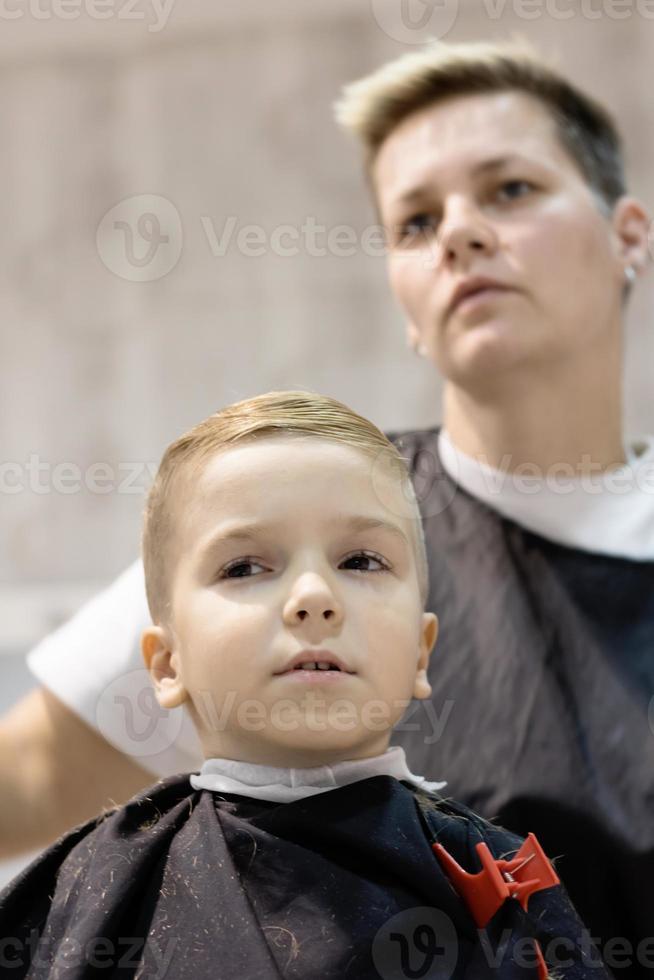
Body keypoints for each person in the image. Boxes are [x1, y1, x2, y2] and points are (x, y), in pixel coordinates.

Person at [1, 37, 652, 970]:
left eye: (510, 190)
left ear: (628, 232)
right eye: (417, 221)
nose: (461, 233)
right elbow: (27, 773)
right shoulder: (301, 501)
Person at [0, 390, 607, 980]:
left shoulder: (501, 884)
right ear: (166, 664)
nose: (315, 597)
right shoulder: (93, 893)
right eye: (244, 567)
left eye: (361, 561)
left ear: (422, 653)